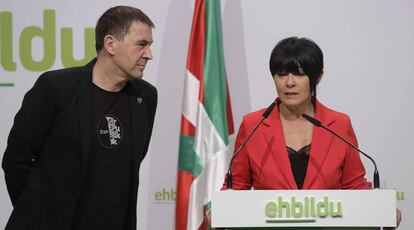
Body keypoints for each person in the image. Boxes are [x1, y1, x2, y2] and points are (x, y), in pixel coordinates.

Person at [2, 6, 157, 230]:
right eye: (141, 44)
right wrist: (38, 214)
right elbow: (16, 161)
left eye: (150, 45)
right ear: (110, 44)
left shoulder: (146, 96)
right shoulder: (56, 88)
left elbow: (134, 161)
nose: (149, 54)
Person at [223, 37, 369, 190]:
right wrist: (217, 208)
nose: (289, 82)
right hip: (270, 214)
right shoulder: (252, 125)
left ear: (317, 77)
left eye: (299, 74)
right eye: (282, 74)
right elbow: (236, 185)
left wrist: (380, 207)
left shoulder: (339, 125)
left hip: (326, 215)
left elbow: (355, 186)